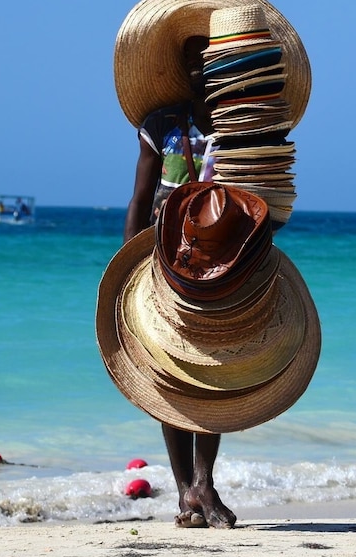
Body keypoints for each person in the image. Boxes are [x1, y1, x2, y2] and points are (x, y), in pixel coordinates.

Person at [123, 35, 235, 529]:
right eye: (193, 61)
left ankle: (204, 482)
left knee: (210, 375)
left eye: (209, 60)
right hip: (161, 264)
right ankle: (187, 490)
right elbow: (140, 199)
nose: (201, 70)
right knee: (169, 377)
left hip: (224, 266)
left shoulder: (242, 130)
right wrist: (127, 270)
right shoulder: (161, 126)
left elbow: (264, 204)